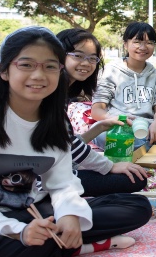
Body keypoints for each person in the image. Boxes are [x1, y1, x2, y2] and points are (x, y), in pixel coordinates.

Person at [0, 26, 152, 257]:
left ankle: (52, 242)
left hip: (36, 212)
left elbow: (62, 183)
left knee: (137, 208)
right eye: (26, 65)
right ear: (4, 70)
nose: (39, 75)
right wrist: (19, 232)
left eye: (50, 67)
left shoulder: (54, 123)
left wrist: (70, 215)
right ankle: (69, 249)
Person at [56, 29, 148, 196]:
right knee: (134, 178)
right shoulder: (51, 91)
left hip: (57, 169)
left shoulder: (63, 92)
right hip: (42, 179)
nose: (86, 63)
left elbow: (65, 144)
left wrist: (100, 127)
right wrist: (110, 166)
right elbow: (67, 147)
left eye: (92, 58)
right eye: (78, 55)